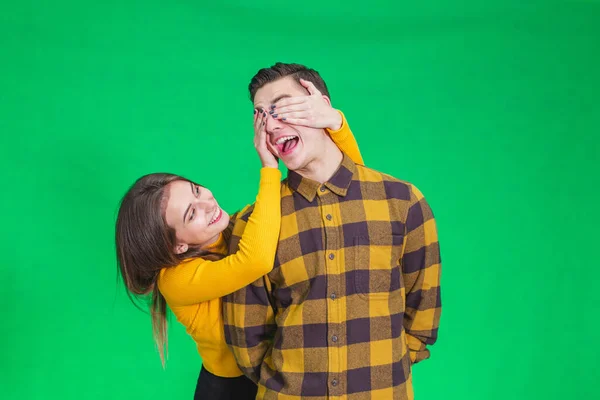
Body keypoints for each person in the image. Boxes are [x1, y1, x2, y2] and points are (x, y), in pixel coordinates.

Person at [114, 88, 364, 399]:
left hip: (280, 370)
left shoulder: (239, 228)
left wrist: (336, 123)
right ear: (177, 246)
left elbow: (351, 193)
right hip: (231, 389)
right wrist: (270, 168)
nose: (206, 202)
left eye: (195, 189)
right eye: (191, 213)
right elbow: (254, 261)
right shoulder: (176, 280)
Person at [223, 63, 442, 399]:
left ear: (320, 105)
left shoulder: (402, 202)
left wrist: (387, 369)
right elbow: (246, 337)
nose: (270, 123)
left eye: (281, 107)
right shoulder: (253, 224)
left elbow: (422, 312)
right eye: (261, 114)